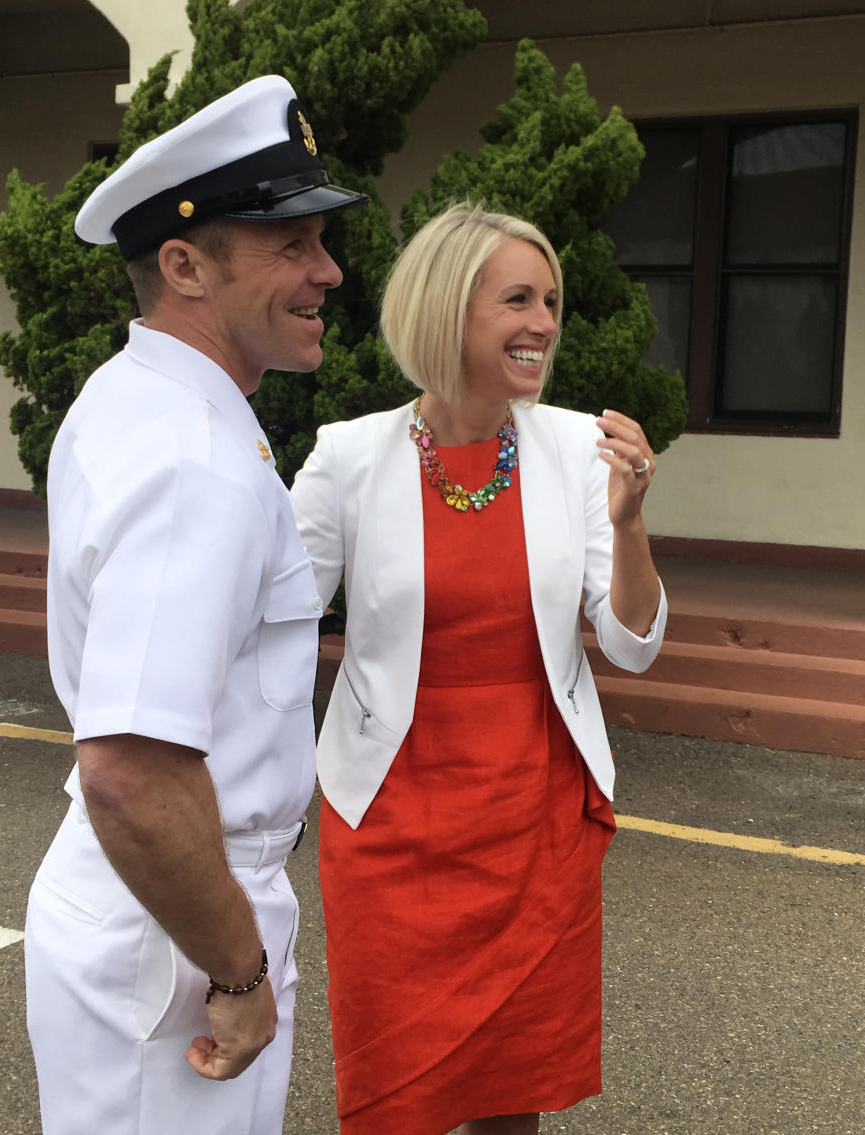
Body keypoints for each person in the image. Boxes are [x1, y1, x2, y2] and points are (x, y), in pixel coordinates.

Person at [23, 74, 366, 1135]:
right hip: (176, 923)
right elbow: (130, 769)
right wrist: (233, 969)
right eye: (290, 245)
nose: (329, 271)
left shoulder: (138, 399)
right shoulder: (194, 461)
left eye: (321, 240)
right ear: (182, 264)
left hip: (156, 898)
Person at [290, 202, 667, 1135]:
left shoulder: (577, 446)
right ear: (446, 309)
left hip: (534, 818)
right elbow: (272, 619)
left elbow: (631, 644)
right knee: (396, 1095)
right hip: (390, 822)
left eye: (551, 300)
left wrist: (626, 525)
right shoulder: (348, 458)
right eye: (517, 300)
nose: (544, 322)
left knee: (513, 1090)